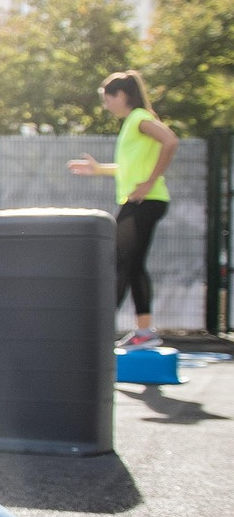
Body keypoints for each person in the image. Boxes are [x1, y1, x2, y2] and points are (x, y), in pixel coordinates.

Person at [67, 69, 178, 350]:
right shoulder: (132, 122)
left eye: (107, 99)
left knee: (117, 261)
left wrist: (149, 182)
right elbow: (129, 168)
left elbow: (170, 141)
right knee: (132, 263)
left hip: (144, 202)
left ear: (121, 95)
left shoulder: (139, 118)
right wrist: (99, 169)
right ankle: (144, 331)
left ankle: (101, 328)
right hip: (142, 201)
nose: (106, 106)